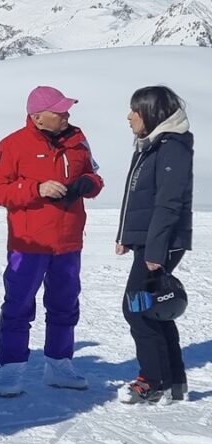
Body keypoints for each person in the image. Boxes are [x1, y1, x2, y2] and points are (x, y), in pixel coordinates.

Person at [0, 85, 103, 398]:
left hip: (68, 240)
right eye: (59, 111)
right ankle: (11, 369)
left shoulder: (78, 140)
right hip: (29, 243)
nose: (66, 115)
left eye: (66, 110)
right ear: (38, 117)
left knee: (65, 303)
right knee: (19, 304)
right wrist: (35, 189)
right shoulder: (13, 145)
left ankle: (59, 364)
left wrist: (87, 184)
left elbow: (96, 177)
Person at [115, 86, 193, 405]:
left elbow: (168, 203)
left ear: (152, 113)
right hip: (147, 240)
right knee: (153, 310)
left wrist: (156, 251)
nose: (129, 116)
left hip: (159, 243)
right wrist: (125, 236)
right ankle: (174, 380)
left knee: (138, 311)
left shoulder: (171, 146)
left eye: (136, 109)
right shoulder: (150, 145)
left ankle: (153, 381)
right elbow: (136, 196)